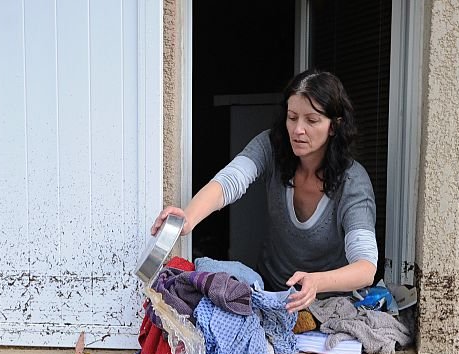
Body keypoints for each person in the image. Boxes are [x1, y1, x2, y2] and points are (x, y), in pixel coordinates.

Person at [151, 69, 378, 313]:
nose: (298, 129)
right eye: (292, 117)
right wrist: (188, 218)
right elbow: (231, 180)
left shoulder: (353, 181)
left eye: (311, 121)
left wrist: (317, 281)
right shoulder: (272, 146)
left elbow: (366, 268)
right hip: (270, 290)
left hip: (330, 301)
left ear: (334, 126)